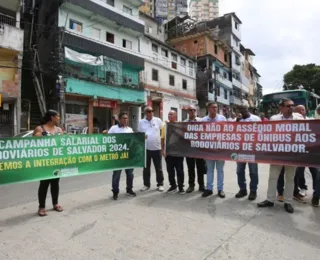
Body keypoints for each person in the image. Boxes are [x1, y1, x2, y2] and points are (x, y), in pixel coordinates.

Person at [257, 98, 304, 213]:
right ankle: (270, 199)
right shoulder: (274, 119)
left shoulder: (299, 118)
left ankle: (288, 202)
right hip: (277, 153)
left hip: (293, 154)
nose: (291, 107)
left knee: (290, 178)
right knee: (273, 177)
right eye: (288, 106)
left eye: (292, 105)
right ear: (281, 108)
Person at [277, 105, 319, 206]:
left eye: (303, 110)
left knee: (316, 173)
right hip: (298, 154)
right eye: (299, 110)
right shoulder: (292, 122)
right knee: (297, 173)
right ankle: (294, 191)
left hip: (312, 154)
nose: (301, 112)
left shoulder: (312, 121)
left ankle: (316, 194)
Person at [33, 110, 63, 217]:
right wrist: (37, 137)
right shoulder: (40, 129)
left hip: (56, 161)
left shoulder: (59, 130)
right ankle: (41, 207)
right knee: (44, 185)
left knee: (55, 184)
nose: (59, 118)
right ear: (52, 117)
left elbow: (63, 144)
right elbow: (32, 144)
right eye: (57, 116)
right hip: (45, 162)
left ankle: (55, 203)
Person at [108, 112, 136, 200]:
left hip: (128, 156)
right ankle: (115, 192)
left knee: (130, 174)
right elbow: (107, 140)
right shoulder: (113, 128)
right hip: (118, 156)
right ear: (119, 119)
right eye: (123, 118)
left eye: (127, 118)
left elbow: (133, 141)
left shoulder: (130, 130)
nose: (125, 120)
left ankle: (129, 189)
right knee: (116, 175)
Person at [201, 102, 227, 198]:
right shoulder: (203, 120)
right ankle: (209, 189)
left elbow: (227, 132)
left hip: (220, 149)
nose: (215, 109)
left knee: (220, 170)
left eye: (216, 107)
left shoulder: (222, 119)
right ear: (208, 108)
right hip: (209, 149)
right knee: (210, 170)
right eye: (213, 107)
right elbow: (200, 135)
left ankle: (220, 189)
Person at [235, 105, 261, 201]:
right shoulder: (238, 120)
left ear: (247, 109)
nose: (243, 112)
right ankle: (242, 189)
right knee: (239, 171)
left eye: (244, 110)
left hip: (252, 150)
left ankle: (253, 191)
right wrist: (237, 122)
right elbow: (233, 133)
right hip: (240, 150)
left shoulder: (256, 119)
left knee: (253, 172)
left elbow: (261, 133)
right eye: (240, 110)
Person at [139, 106, 164, 192]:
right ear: (145, 113)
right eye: (148, 111)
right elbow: (139, 134)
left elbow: (163, 130)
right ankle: (146, 184)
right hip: (146, 149)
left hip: (157, 148)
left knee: (158, 168)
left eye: (151, 111)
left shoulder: (158, 120)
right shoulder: (141, 122)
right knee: (146, 168)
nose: (150, 113)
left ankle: (160, 184)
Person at [161, 110, 185, 194]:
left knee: (179, 170)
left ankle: (181, 187)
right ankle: (173, 185)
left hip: (178, 153)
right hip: (169, 152)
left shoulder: (180, 126)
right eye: (168, 114)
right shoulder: (165, 126)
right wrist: (162, 150)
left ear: (176, 116)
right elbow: (162, 139)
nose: (169, 116)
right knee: (170, 170)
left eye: (171, 114)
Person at [184, 106, 206, 193]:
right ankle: (191, 185)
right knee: (190, 168)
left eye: (194, 110)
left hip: (199, 148)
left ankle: (201, 185)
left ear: (196, 111)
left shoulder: (201, 121)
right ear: (188, 112)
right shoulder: (184, 123)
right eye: (190, 110)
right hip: (189, 149)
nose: (192, 111)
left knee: (200, 168)